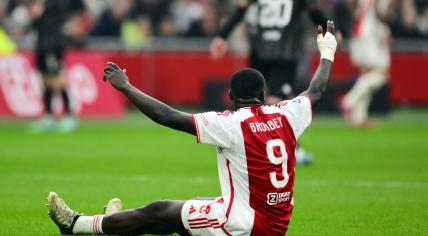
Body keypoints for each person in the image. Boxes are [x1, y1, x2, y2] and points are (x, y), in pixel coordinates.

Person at [47, 21, 337, 236]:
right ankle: (113, 224)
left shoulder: (232, 124)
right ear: (264, 93)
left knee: (160, 210)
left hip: (246, 224)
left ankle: (76, 225)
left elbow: (167, 116)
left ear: (231, 97)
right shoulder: (288, 114)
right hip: (276, 222)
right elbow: (317, 90)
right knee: (187, 210)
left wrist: (126, 87)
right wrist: (328, 51)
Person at [210, 0, 340, 165]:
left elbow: (240, 10)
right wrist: (333, 35)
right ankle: (286, 149)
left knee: (265, 99)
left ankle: (267, 146)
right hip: (285, 52)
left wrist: (222, 35)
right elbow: (314, 11)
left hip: (260, 51)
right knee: (279, 100)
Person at [29, 0, 84, 133]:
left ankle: (70, 116)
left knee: (58, 81)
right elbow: (36, 25)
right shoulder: (42, 4)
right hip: (41, 46)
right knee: (45, 81)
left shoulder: (57, 4)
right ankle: (49, 116)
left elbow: (58, 21)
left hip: (52, 46)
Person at [341, 0, 394, 128]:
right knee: (381, 74)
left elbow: (352, 8)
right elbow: (381, 14)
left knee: (367, 75)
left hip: (362, 32)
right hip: (369, 35)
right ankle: (349, 101)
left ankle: (359, 117)